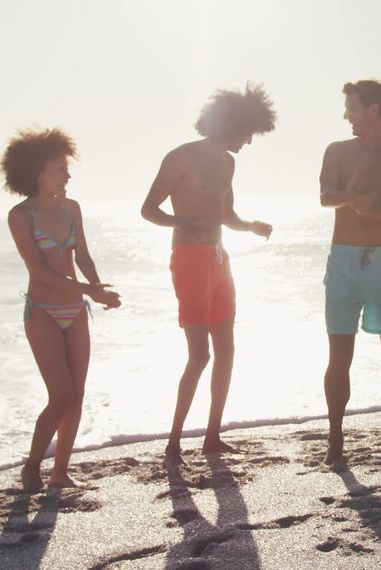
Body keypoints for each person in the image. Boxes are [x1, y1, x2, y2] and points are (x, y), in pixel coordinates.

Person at [141, 84, 275, 468]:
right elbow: (148, 208)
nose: (250, 141)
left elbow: (227, 215)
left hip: (220, 258)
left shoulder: (229, 163)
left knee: (227, 351)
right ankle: (173, 443)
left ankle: (213, 437)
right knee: (199, 355)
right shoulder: (180, 157)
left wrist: (251, 226)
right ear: (236, 123)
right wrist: (180, 220)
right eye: (250, 132)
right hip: (189, 259)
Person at [5, 127, 121, 492]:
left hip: (75, 311)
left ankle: (60, 471)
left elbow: (82, 254)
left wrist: (97, 287)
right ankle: (32, 466)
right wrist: (89, 289)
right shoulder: (20, 215)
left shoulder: (72, 208)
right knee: (61, 395)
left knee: (78, 394)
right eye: (60, 167)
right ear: (38, 170)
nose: (67, 175)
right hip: (42, 312)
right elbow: (39, 270)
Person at [319, 79, 381, 465]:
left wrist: (367, 208)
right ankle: (335, 436)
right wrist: (351, 198)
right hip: (342, 259)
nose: (347, 115)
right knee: (339, 354)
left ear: (374, 109)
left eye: (352, 107)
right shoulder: (337, 151)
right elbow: (325, 195)